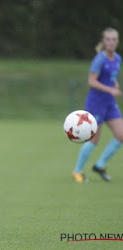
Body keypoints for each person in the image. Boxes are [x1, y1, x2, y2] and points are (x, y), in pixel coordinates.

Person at [72, 27, 123, 183]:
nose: (111, 42)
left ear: (117, 41)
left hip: (109, 103)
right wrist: (110, 89)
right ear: (103, 41)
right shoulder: (99, 59)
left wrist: (114, 84)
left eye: (114, 39)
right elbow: (91, 82)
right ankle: (77, 171)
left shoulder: (118, 58)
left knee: (121, 135)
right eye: (108, 39)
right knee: (94, 139)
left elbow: (110, 78)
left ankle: (99, 165)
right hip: (96, 103)